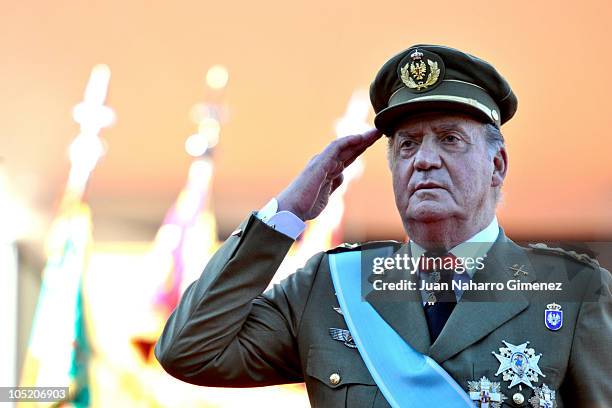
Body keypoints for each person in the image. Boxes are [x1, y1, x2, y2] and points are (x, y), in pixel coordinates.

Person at [154, 44, 611, 407]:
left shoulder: (571, 291)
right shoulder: (331, 286)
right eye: (408, 145)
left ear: (497, 164)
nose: (425, 160)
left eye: (449, 139)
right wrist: (286, 215)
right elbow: (189, 350)